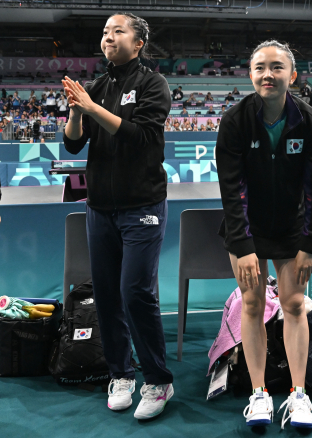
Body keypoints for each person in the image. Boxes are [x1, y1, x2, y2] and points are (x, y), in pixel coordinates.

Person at [62, 12, 174, 420]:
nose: (109, 37)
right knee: (106, 295)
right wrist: (77, 111)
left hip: (142, 207)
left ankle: (158, 380)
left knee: (135, 293)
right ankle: (120, 373)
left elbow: (140, 136)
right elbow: (74, 146)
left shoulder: (152, 84)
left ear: (139, 42)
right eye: (105, 32)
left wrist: (92, 107)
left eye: (118, 31)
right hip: (100, 210)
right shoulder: (98, 85)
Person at [216, 39, 312, 430]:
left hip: (292, 228)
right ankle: (259, 394)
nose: (268, 74)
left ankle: (299, 396)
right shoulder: (234, 121)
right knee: (252, 305)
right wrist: (244, 245)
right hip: (246, 227)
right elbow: (232, 190)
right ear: (250, 74)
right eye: (260, 67)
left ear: (292, 75)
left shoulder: (310, 121)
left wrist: (310, 243)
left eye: (277, 67)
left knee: (295, 305)